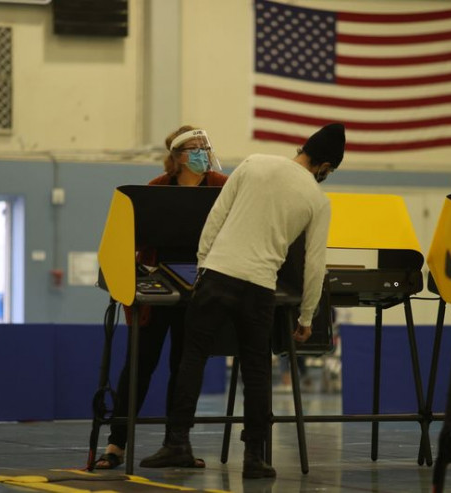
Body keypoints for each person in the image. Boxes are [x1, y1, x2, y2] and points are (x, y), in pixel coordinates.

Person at [140, 123, 346, 479]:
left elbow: (215, 220)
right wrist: (306, 317)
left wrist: (203, 268)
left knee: (192, 359)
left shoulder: (253, 163)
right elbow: (314, 265)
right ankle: (254, 456)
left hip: (217, 275)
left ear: (303, 148)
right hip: (260, 287)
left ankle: (177, 443)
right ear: (325, 167)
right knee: (256, 370)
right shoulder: (318, 200)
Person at [94, 125, 228, 470]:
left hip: (200, 291)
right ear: (178, 156)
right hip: (156, 291)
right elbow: (135, 237)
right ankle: (116, 444)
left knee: (185, 368)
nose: (202, 153)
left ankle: (177, 443)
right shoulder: (155, 188)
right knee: (139, 365)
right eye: (194, 148)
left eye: (204, 147)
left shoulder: (221, 186)